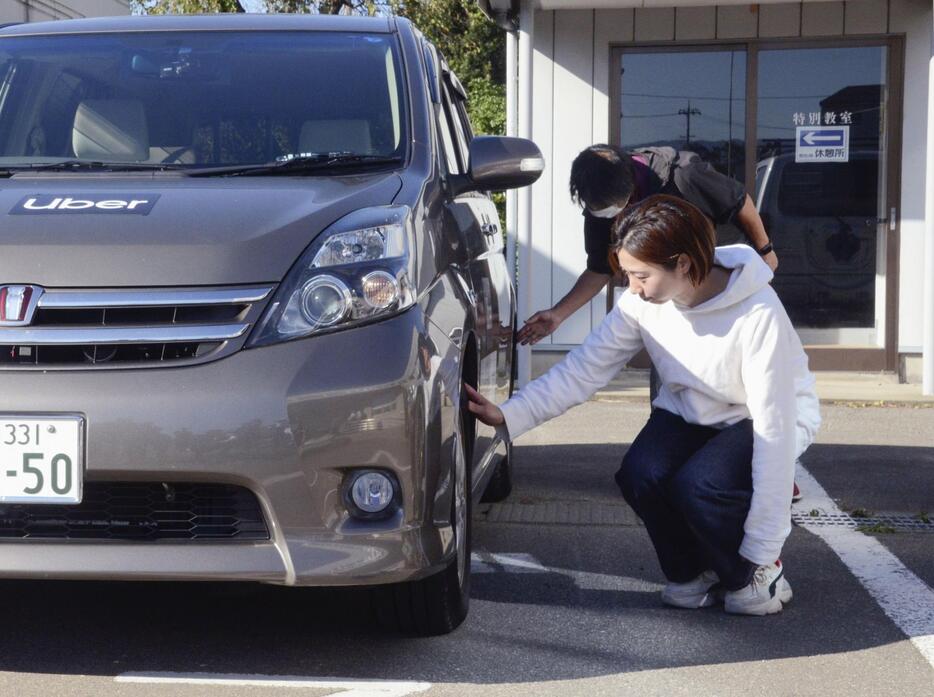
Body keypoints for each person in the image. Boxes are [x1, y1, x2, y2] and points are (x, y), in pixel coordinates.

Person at [467, 195, 821, 616]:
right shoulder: (641, 303)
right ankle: (692, 573)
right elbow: (585, 369)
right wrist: (510, 413)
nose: (631, 288)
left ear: (684, 264)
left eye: (641, 276)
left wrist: (763, 546)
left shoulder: (757, 312)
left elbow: (774, 431)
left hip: (761, 418)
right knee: (641, 474)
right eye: (627, 275)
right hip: (691, 411)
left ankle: (754, 573)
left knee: (700, 486)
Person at [517, 144, 777, 346]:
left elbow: (739, 201)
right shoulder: (598, 203)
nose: (612, 218)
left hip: (726, 282)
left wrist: (766, 251)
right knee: (672, 379)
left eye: (616, 209)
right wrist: (559, 314)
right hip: (675, 299)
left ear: (630, 188)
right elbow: (599, 268)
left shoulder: (683, 175)